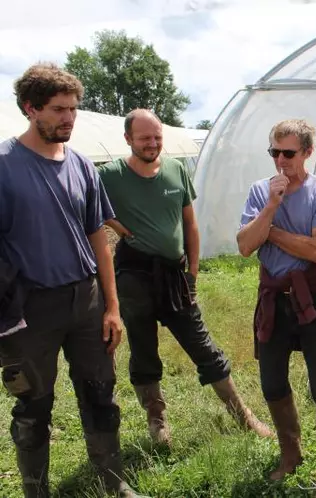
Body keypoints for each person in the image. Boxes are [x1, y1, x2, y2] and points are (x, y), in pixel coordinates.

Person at [0, 63, 145, 497]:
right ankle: (35, 491)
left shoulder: (81, 165)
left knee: (101, 392)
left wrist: (113, 308)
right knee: (32, 405)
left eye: (74, 110)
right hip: (29, 309)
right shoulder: (5, 166)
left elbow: (100, 241)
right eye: (59, 110)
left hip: (86, 301)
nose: (69, 118)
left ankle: (112, 482)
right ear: (30, 108)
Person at [99, 109, 272, 446]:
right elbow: (90, 211)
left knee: (203, 346)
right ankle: (157, 420)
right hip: (134, 274)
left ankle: (242, 414)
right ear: (128, 139)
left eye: (156, 137)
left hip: (174, 274)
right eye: (144, 138)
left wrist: (192, 272)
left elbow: (190, 225)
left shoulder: (176, 169)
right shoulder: (111, 175)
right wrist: (118, 227)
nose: (152, 144)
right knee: (144, 349)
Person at [236, 119, 316, 484]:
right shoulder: (258, 192)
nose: (281, 160)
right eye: (275, 152)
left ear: (308, 153)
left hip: (311, 298)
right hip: (273, 300)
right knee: (272, 383)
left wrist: (271, 232)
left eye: (289, 153)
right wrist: (270, 207)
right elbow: (245, 245)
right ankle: (291, 455)